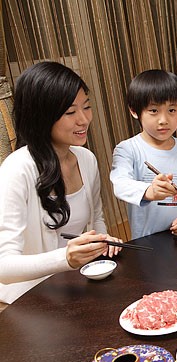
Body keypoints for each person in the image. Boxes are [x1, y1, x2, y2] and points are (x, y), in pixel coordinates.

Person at [0, 61, 122, 306]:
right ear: (41, 116)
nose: (84, 119)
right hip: (31, 298)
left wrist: (102, 241)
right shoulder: (17, 169)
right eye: (70, 112)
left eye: (86, 107)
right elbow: (4, 266)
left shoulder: (86, 159)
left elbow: (96, 219)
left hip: (79, 284)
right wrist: (65, 257)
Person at [110, 70, 177, 239]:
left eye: (172, 110)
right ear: (134, 111)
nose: (163, 120)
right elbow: (120, 184)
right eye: (153, 111)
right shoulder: (128, 149)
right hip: (146, 241)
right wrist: (149, 191)